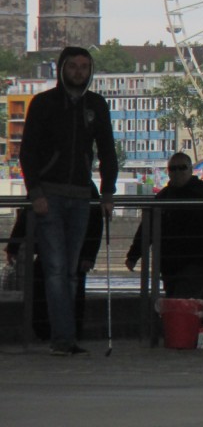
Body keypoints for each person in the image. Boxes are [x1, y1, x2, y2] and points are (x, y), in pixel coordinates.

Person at [19, 46, 118, 356]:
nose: (79, 72)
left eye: (84, 67)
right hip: (50, 195)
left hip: (81, 196)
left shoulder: (96, 106)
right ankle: (63, 338)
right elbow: (28, 152)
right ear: (62, 69)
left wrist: (107, 192)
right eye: (73, 66)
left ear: (90, 71)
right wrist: (35, 193)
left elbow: (107, 150)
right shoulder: (43, 103)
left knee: (71, 270)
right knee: (57, 269)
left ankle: (65, 335)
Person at [5, 182, 104, 341]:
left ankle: (47, 331)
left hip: (49, 248)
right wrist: (89, 255)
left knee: (42, 288)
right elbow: (95, 223)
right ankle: (68, 332)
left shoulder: (44, 182)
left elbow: (27, 213)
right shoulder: (85, 185)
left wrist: (13, 245)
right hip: (76, 251)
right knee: (72, 289)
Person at [126, 153, 203, 300]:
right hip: (170, 265)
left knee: (180, 302)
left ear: (190, 170)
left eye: (182, 168)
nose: (177, 172)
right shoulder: (163, 197)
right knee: (176, 302)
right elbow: (147, 228)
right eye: (173, 168)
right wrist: (133, 255)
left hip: (198, 263)